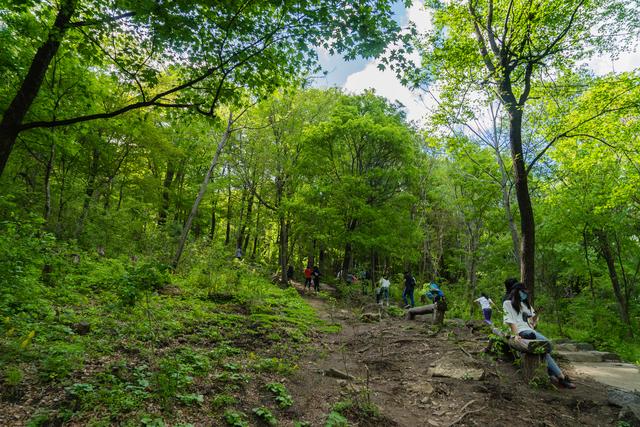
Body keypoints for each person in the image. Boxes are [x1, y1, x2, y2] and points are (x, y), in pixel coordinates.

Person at [502, 283, 576, 389]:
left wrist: (536, 317)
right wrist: (515, 335)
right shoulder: (507, 303)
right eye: (523, 292)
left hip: (529, 330)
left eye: (526, 293)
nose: (525, 295)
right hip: (522, 332)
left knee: (543, 351)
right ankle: (560, 377)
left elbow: (532, 322)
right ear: (517, 291)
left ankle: (558, 376)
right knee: (547, 344)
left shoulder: (526, 305)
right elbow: (510, 321)